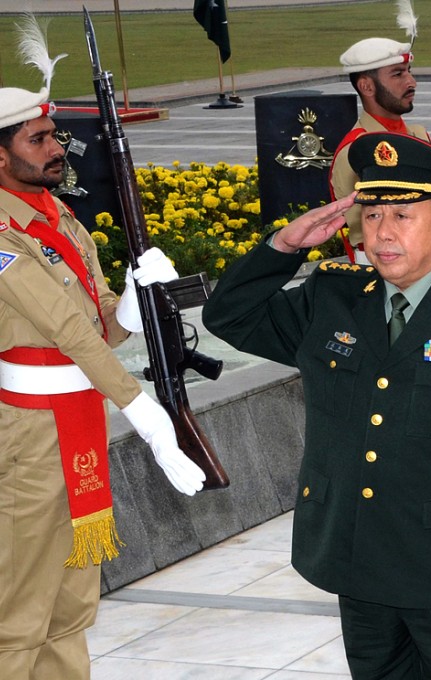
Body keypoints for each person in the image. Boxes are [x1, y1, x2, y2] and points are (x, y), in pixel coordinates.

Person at [203, 132, 431, 679]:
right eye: (371, 215)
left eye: (403, 216)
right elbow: (229, 317)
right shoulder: (331, 297)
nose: (382, 233)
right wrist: (284, 247)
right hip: (358, 560)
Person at [0, 18, 205, 680]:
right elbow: (61, 328)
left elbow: (93, 327)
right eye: (38, 139)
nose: (56, 147)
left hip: (77, 421)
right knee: (18, 615)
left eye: (54, 134)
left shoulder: (60, 220)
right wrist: (143, 411)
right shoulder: (4, 236)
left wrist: (131, 308)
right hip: (30, 439)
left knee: (70, 605)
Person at [328, 36, 431, 263]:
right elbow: (368, 240)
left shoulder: (418, 136)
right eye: (398, 74)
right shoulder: (357, 151)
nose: (411, 82)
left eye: (409, 71)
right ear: (366, 86)